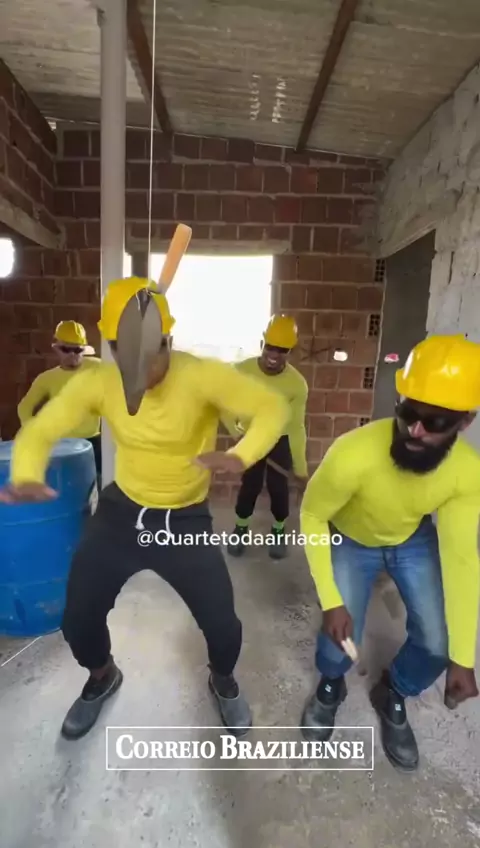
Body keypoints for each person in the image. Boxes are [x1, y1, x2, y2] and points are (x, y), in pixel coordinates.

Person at [0, 276, 289, 741]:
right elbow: (40, 429)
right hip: (122, 511)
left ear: (168, 340)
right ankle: (102, 676)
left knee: (223, 625)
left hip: (184, 518)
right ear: (112, 348)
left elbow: (272, 408)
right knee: (78, 618)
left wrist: (241, 455)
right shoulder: (99, 381)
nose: (142, 367)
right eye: (125, 353)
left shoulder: (201, 376)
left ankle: (223, 679)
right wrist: (27, 472)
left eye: (152, 353)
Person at [299, 334, 480, 772]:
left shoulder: (466, 473)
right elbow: (312, 515)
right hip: (350, 539)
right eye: (408, 413)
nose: (415, 430)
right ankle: (331, 683)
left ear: (465, 422)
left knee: (438, 644)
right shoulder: (353, 453)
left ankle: (393, 691)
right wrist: (331, 599)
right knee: (339, 638)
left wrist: (462, 657)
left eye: (435, 422)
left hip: (410, 540)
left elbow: (461, 559)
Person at [224, 314, 309, 560]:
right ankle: (240, 529)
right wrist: (236, 433)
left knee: (278, 488)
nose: (274, 354)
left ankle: (278, 531)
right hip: (251, 437)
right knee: (249, 485)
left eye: (282, 350)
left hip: (279, 440)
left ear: (290, 351)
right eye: (270, 347)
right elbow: (224, 405)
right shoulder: (241, 371)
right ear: (262, 344)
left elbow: (296, 428)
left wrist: (301, 469)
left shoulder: (297, 385)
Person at [17, 320, 102, 481]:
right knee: (67, 485)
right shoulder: (47, 378)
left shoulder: (98, 367)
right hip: (62, 445)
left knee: (97, 484)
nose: (72, 355)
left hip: (93, 442)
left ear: (84, 349)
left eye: (77, 350)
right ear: (56, 348)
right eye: (66, 349)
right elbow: (24, 407)